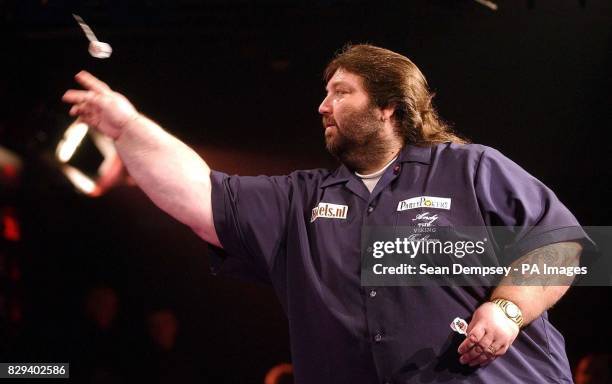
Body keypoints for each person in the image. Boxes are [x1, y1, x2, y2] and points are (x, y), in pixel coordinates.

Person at [62, 44, 590, 383]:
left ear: (388, 106)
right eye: (324, 94)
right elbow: (198, 194)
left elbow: (563, 242)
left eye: (340, 92)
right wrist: (126, 125)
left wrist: (510, 310)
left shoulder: (470, 168)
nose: (322, 106)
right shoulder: (302, 200)